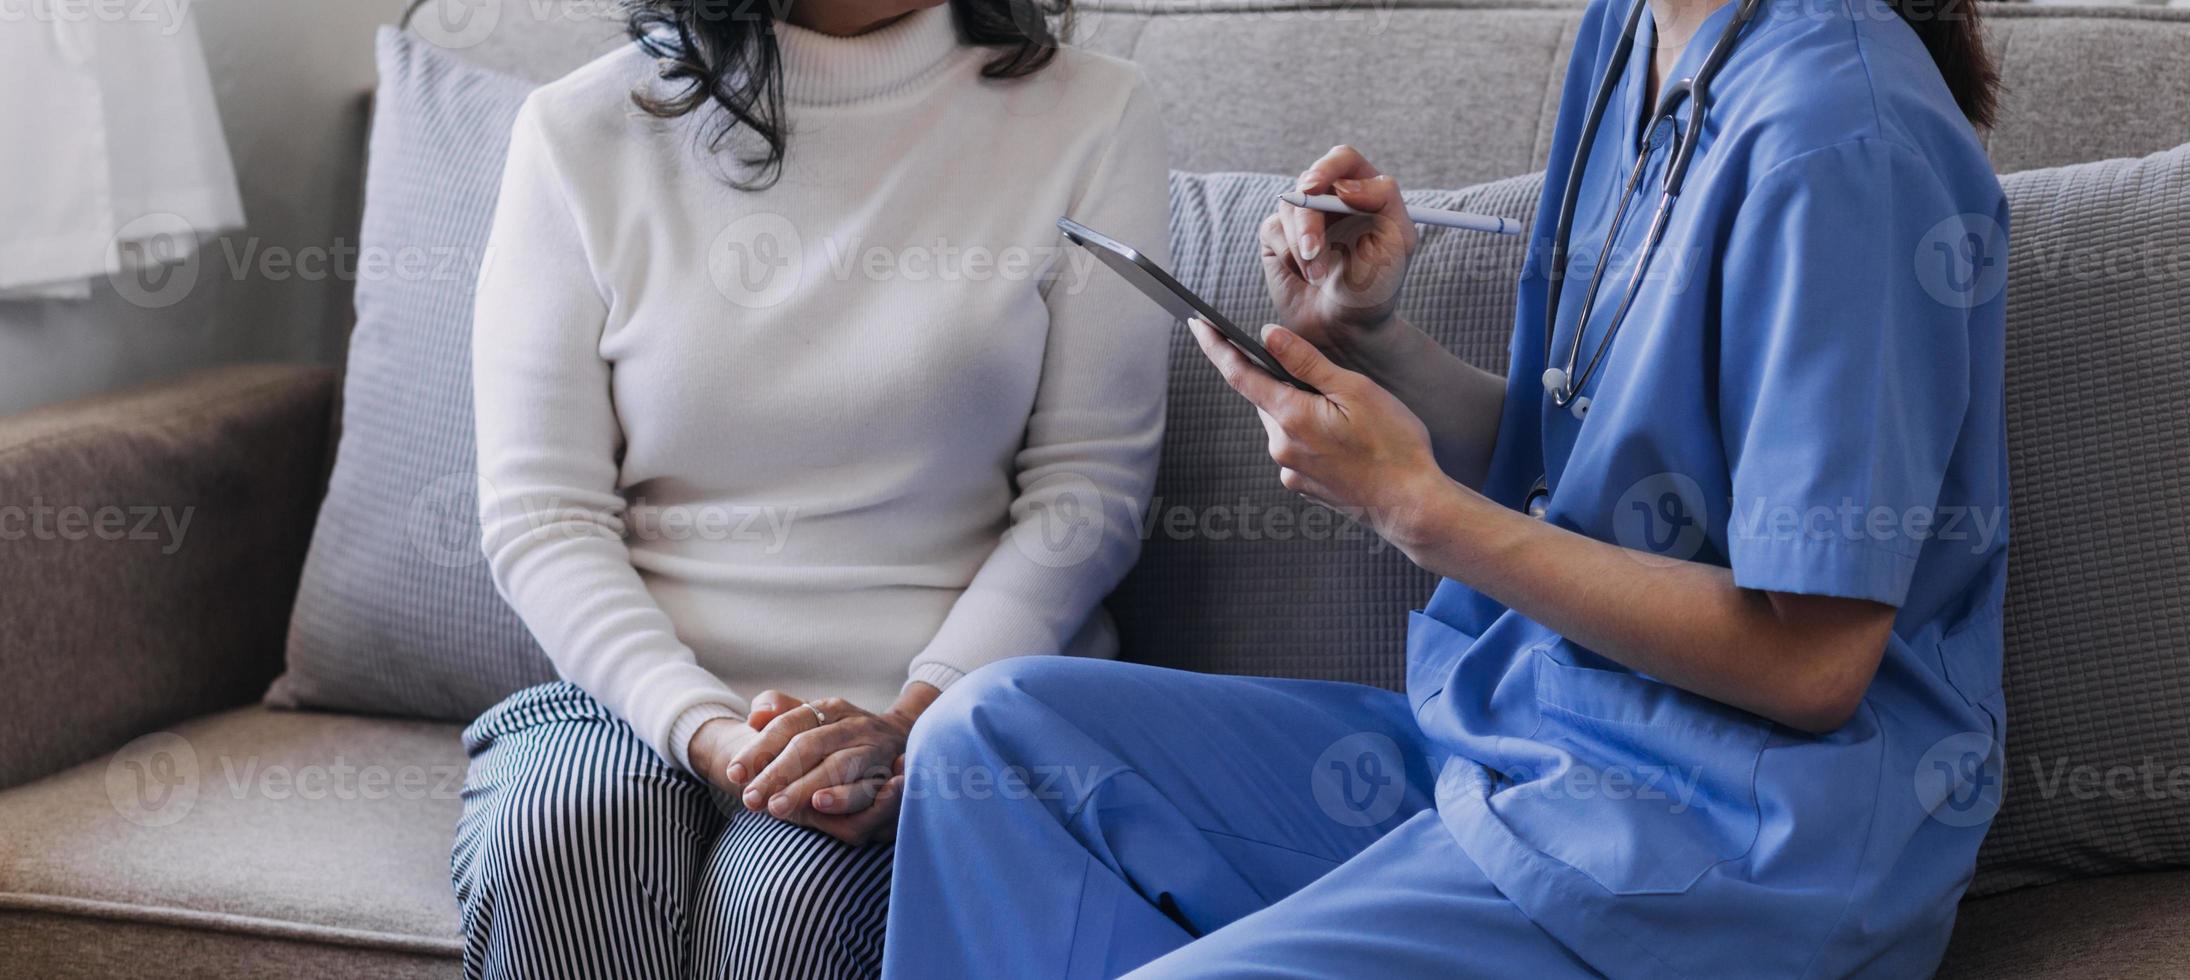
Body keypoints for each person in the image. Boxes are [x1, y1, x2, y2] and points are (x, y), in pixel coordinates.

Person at [880, 0, 2010, 973]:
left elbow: (1813, 660)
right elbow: (1590, 466)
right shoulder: (1634, 36)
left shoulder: (1844, 141)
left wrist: (1417, 507)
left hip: (1732, 856)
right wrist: (1372, 339)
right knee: (991, 740)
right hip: (1529, 744)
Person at [447, 0, 1170, 975]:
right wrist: (708, 731)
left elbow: (1089, 490)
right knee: (568, 827)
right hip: (626, 696)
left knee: (789, 894)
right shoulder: (580, 127)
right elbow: (544, 515)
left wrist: (917, 721)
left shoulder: (1092, 113)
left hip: (944, 707)